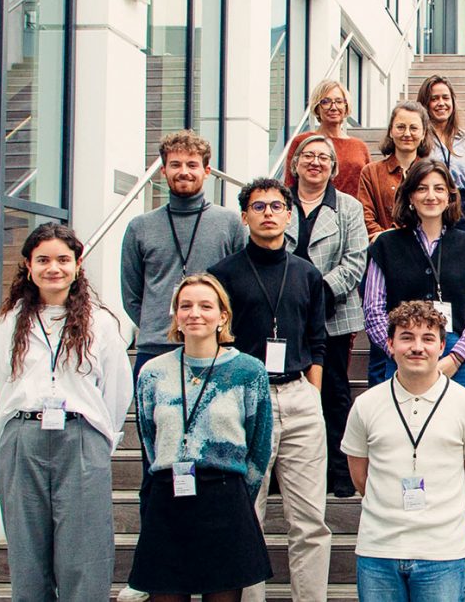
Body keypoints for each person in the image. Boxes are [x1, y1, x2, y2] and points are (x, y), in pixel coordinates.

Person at [204, 178, 334, 602]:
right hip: (242, 400)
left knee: (310, 520)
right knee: (247, 514)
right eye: (258, 207)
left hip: (298, 396)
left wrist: (312, 395)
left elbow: (317, 340)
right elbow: (215, 341)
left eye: (276, 206)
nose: (268, 213)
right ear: (245, 216)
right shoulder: (223, 275)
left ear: (289, 214)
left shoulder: (307, 273)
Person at [0, 223, 132, 602]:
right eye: (44, 260)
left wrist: (98, 441)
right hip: (23, 437)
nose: (54, 268)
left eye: (63, 259)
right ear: (28, 266)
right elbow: (6, 383)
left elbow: (116, 391)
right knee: (27, 552)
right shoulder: (9, 323)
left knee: (84, 556)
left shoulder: (100, 322)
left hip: (81, 438)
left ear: (78, 264)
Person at [128, 274, 276, 602]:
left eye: (205, 306)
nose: (195, 313)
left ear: (222, 316)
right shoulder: (152, 373)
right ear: (176, 316)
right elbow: (149, 441)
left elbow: (260, 445)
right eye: (186, 306)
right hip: (168, 501)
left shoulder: (248, 371)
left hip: (225, 502)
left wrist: (234, 493)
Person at [343, 300, 465, 602]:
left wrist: (445, 518)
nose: (417, 347)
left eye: (427, 338)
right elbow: (359, 475)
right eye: (406, 337)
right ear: (390, 344)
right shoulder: (366, 405)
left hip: (443, 554)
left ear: (442, 346)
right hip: (379, 551)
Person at [285, 133, 373, 500]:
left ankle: (338, 471)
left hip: (331, 311)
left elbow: (356, 261)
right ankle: (285, 470)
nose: (315, 162)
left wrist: (316, 292)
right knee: (286, 392)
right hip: (284, 314)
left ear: (334, 168)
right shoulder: (278, 204)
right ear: (295, 164)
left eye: (324, 157)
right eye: (308, 155)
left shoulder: (348, 207)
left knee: (334, 393)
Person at [122, 130, 248, 373]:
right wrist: (159, 324)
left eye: (192, 164)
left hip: (213, 347)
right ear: (163, 170)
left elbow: (240, 285)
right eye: (175, 164)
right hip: (156, 347)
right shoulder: (140, 227)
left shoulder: (230, 223)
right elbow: (131, 295)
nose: (184, 172)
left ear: (207, 171)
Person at [362, 159, 465, 392]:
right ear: (410, 197)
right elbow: (373, 310)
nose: (431, 196)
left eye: (439, 188)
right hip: (402, 356)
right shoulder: (385, 245)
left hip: (456, 359)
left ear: (450, 197)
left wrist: (455, 358)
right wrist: (396, 351)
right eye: (422, 188)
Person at [282, 80, 373, 195]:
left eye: (339, 101)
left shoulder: (360, 146)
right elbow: (289, 184)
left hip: (352, 211)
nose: (333, 107)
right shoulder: (302, 142)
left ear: (346, 106)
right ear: (317, 107)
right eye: (326, 102)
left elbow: (369, 189)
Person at [360, 101, 433, 235]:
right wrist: (389, 241)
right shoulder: (370, 172)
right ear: (390, 132)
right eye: (400, 127)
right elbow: (366, 217)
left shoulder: (433, 173)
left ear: (423, 134)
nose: (407, 133)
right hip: (382, 249)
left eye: (413, 128)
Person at [419, 75, 465, 228]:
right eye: (434, 99)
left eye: (445, 98)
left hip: (463, 210)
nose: (441, 103)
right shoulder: (419, 138)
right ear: (425, 103)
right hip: (430, 204)